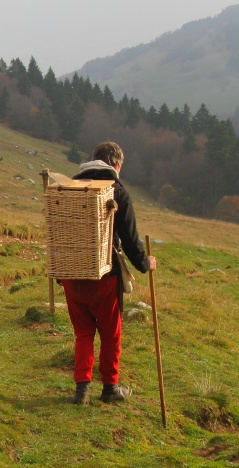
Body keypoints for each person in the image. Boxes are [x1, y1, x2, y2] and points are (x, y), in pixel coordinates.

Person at [62, 141, 156, 405]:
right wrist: (146, 264)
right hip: (105, 276)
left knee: (83, 333)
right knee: (110, 333)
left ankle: (81, 391)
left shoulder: (69, 189)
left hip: (71, 274)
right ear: (116, 165)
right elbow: (130, 240)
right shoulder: (118, 192)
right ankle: (109, 388)